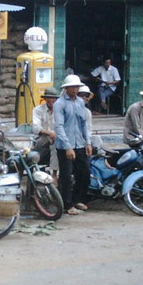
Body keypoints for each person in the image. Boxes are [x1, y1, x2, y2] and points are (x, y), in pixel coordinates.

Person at [53, 74, 91, 215]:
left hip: (79, 143)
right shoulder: (60, 104)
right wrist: (68, 147)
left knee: (84, 172)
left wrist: (88, 142)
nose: (75, 89)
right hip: (65, 145)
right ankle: (67, 204)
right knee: (66, 175)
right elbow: (59, 126)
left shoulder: (80, 102)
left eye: (76, 87)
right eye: (72, 87)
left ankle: (77, 199)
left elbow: (83, 124)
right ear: (66, 88)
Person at [31, 87, 59, 172]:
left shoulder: (60, 110)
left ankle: (55, 172)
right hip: (42, 138)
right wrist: (49, 133)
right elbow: (36, 128)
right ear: (45, 99)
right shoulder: (37, 110)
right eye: (48, 98)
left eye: (53, 98)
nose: (51, 100)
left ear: (56, 99)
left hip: (57, 138)